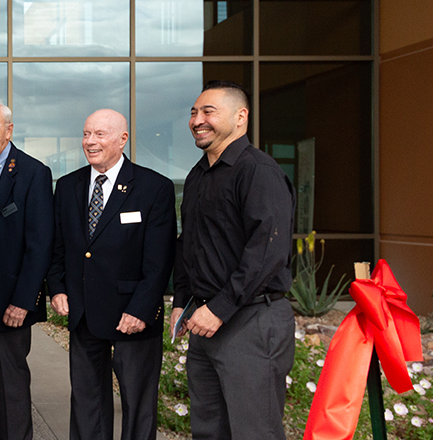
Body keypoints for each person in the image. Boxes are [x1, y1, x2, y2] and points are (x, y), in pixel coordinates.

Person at [170, 80, 295, 440]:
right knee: (209, 430)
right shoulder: (198, 176)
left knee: (253, 431)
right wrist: (182, 302)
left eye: (209, 111)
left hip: (251, 321)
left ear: (241, 117)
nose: (197, 120)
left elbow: (266, 253)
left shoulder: (258, 171)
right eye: (194, 112)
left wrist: (220, 308)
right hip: (206, 320)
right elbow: (188, 246)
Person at [48, 109, 175, 440]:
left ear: (123, 139)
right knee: (87, 402)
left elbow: (159, 259)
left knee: (137, 403)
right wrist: (57, 287)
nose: (90, 141)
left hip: (131, 314)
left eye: (100, 134)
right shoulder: (67, 186)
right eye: (87, 133)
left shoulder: (153, 187)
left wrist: (141, 309)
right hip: (84, 312)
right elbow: (58, 245)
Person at [0, 99, 53, 440]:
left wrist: (24, 300)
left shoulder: (34, 172)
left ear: (9, 130)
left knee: (12, 389)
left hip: (10, 304)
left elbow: (40, 244)